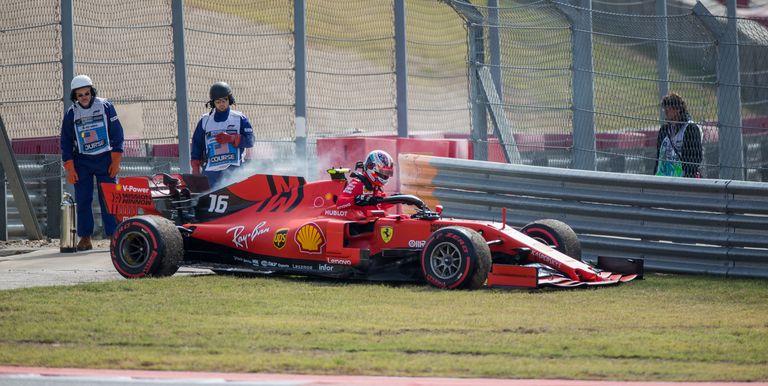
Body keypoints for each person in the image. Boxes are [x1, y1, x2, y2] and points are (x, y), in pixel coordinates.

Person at [60, 74, 124, 251]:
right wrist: (70, 167)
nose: (84, 97)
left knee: (110, 198)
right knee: (83, 199)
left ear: (91, 92)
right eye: (80, 95)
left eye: (86, 93)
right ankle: (85, 237)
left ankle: (113, 235)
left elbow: (118, 133)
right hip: (82, 161)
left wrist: (116, 160)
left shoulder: (105, 106)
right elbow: (65, 141)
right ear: (75, 96)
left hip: (105, 159)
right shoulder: (71, 113)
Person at [190, 81, 255, 189]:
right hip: (211, 171)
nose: (221, 104)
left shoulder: (239, 118)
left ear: (230, 100)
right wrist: (195, 167)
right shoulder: (205, 120)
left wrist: (232, 138)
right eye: (218, 101)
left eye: (224, 100)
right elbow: (197, 144)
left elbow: (251, 140)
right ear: (212, 103)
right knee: (207, 198)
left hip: (234, 168)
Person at [654, 92, 702, 178]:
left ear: (678, 109)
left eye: (668, 108)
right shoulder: (664, 130)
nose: (665, 111)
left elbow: (696, 158)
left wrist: (687, 177)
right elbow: (658, 158)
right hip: (662, 179)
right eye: (665, 109)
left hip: (682, 179)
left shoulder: (690, 129)